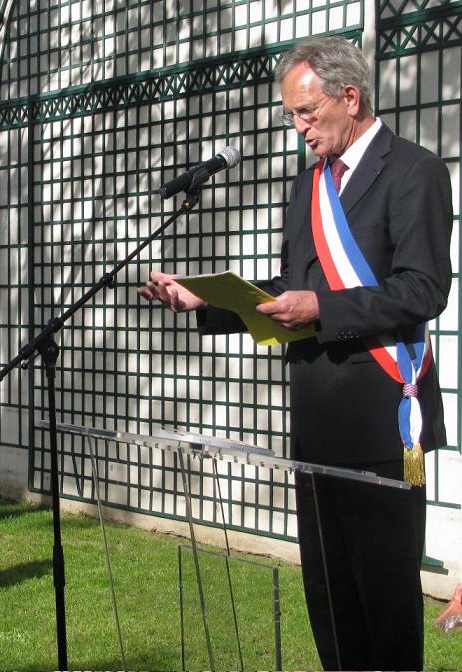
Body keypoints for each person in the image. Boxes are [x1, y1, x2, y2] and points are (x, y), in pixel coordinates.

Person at [138, 37, 452, 670]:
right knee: (329, 598)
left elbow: (423, 289)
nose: (300, 128)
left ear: (351, 98)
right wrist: (207, 302)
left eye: (307, 113)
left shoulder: (415, 171)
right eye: (292, 116)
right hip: (315, 419)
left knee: (384, 598)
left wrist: (324, 310)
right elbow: (290, 291)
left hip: (383, 422)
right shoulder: (307, 186)